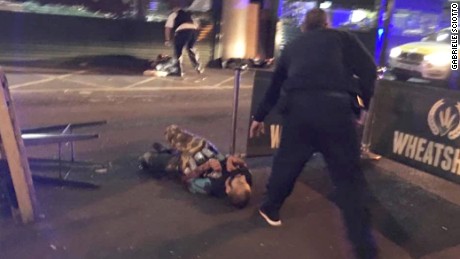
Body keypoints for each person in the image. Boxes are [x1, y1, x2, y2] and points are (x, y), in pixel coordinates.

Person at [249, 8, 378, 259]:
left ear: (304, 27)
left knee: (287, 162)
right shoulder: (343, 38)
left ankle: (271, 208)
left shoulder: (293, 46)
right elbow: (369, 70)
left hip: (300, 112)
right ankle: (365, 249)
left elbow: (275, 87)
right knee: (349, 182)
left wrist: (259, 117)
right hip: (337, 111)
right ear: (327, 24)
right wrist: (362, 103)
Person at [139, 125, 252, 209]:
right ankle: (171, 151)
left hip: (187, 163)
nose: (240, 176)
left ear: (227, 189)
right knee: (171, 130)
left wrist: (205, 166)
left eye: (238, 180)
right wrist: (231, 159)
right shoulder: (245, 176)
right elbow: (242, 164)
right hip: (204, 149)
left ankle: (168, 154)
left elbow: (186, 180)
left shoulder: (212, 186)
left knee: (146, 157)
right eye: (243, 180)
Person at [164, 3, 203, 76]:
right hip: (193, 31)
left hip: (182, 31)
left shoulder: (173, 15)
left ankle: (178, 70)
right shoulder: (190, 15)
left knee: (178, 50)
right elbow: (198, 25)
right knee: (191, 48)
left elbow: (168, 28)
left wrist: (167, 40)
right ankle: (198, 67)